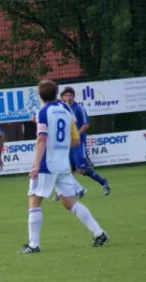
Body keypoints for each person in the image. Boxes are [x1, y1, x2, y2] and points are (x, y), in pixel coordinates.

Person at [21, 80, 109, 253]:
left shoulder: (43, 112)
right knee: (68, 202)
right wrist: (60, 148)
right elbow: (76, 140)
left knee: (34, 199)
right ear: (57, 93)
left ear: (40, 96)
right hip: (63, 163)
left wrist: (36, 166)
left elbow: (41, 140)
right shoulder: (67, 110)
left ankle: (34, 245)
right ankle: (99, 233)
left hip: (47, 163)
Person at [57, 87, 110, 199]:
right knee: (67, 169)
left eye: (70, 95)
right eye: (66, 95)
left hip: (78, 141)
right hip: (68, 143)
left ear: (74, 96)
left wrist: (76, 134)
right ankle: (67, 191)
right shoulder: (61, 109)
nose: (69, 97)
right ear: (63, 97)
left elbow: (86, 124)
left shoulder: (79, 108)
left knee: (81, 170)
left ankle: (103, 182)